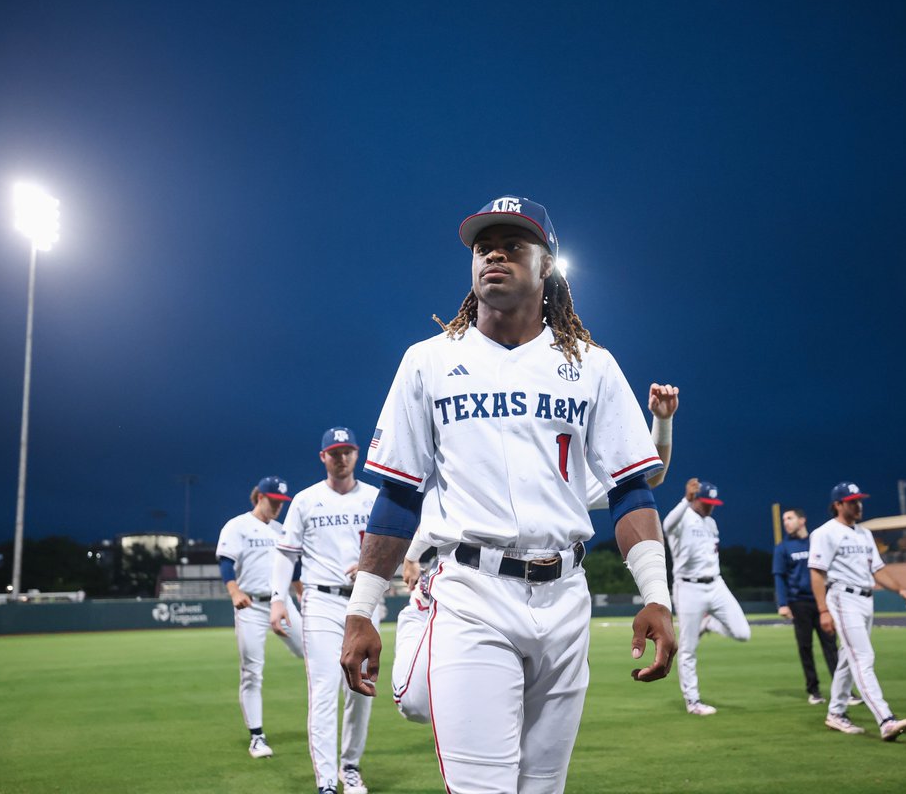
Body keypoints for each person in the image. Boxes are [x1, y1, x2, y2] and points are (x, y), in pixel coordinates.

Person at [339, 195, 679, 794]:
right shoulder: (428, 361)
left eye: (513, 245)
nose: (493, 254)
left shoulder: (592, 365)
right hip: (473, 589)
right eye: (483, 247)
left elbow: (631, 489)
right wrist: (362, 609)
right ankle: (423, 621)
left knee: (542, 787)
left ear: (547, 265)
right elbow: (397, 496)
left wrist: (656, 595)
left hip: (567, 596)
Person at [391, 383, 681, 724]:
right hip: (476, 587)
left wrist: (663, 422)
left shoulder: (565, 473)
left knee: (521, 723)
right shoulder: (479, 461)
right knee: (418, 704)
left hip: (555, 596)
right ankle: (420, 609)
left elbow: (646, 476)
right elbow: (437, 512)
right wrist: (412, 555)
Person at [270, 428, 379, 794]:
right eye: (334, 452)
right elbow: (286, 554)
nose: (341, 458)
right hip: (320, 600)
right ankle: (327, 782)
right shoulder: (305, 500)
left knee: (361, 689)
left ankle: (350, 766)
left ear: (357, 453)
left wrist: (373, 567)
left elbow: (394, 547)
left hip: (364, 601)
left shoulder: (374, 498)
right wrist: (278, 599)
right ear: (323, 457)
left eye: (347, 451)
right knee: (323, 688)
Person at [809, 482, 906, 741]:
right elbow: (817, 573)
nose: (858, 505)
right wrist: (823, 610)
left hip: (866, 599)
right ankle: (885, 719)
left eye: (859, 500)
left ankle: (836, 713)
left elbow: (877, 570)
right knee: (863, 657)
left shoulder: (865, 534)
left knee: (849, 658)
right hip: (843, 597)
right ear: (838, 504)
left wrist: (900, 589)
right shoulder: (825, 533)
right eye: (852, 501)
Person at [216, 475, 305, 759]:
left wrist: (302, 593)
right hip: (251, 606)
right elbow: (226, 563)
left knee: (312, 652)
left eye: (282, 502)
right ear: (259, 497)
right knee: (252, 672)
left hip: (282, 602)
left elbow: (295, 567)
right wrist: (234, 592)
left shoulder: (282, 530)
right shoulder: (237, 526)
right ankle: (256, 736)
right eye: (274, 501)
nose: (278, 506)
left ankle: (323, 719)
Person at [661, 477, 752, 715]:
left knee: (743, 633)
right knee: (688, 648)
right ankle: (693, 701)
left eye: (713, 503)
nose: (711, 507)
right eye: (706, 502)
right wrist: (685, 500)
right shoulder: (682, 517)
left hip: (716, 583)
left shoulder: (711, 522)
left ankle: (708, 623)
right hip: (688, 587)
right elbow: (666, 525)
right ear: (696, 499)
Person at [773, 507, 841, 705]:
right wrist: (783, 603)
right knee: (805, 647)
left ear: (802, 520)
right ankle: (814, 690)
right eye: (784, 519)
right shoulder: (783, 547)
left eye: (790, 518)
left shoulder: (816, 542)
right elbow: (779, 577)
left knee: (831, 646)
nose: (786, 522)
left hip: (822, 601)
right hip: (799, 602)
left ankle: (842, 690)